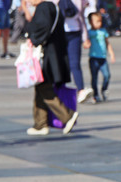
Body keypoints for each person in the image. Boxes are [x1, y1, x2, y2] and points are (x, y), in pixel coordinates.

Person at [26, 0, 79, 135]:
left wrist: (33, 38)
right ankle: (40, 124)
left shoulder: (43, 7)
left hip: (47, 55)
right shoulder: (53, 7)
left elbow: (41, 28)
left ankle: (67, 115)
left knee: (44, 86)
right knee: (41, 86)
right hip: (55, 53)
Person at [85, 11, 115, 103]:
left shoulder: (103, 32)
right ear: (90, 22)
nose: (99, 23)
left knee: (107, 75)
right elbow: (85, 42)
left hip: (103, 58)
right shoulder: (89, 33)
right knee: (94, 77)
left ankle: (104, 89)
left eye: (100, 21)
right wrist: (86, 43)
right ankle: (96, 95)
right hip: (93, 58)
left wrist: (111, 53)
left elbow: (107, 43)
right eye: (97, 21)